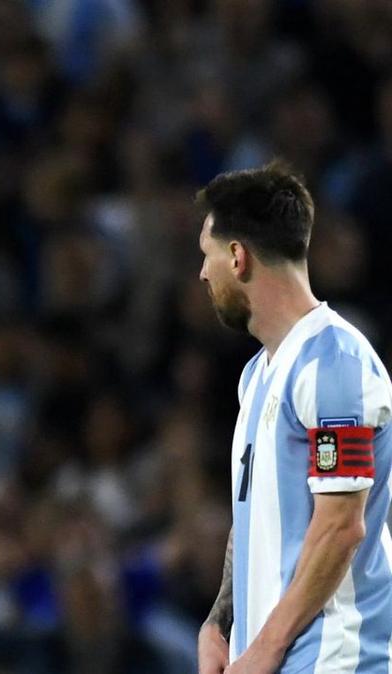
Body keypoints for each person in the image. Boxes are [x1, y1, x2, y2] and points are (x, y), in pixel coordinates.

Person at [194, 162, 392, 674]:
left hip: (337, 661)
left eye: (206, 255)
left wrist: (264, 649)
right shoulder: (257, 375)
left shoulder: (336, 364)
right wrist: (222, 622)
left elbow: (342, 524)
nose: (201, 273)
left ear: (238, 257)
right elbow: (250, 517)